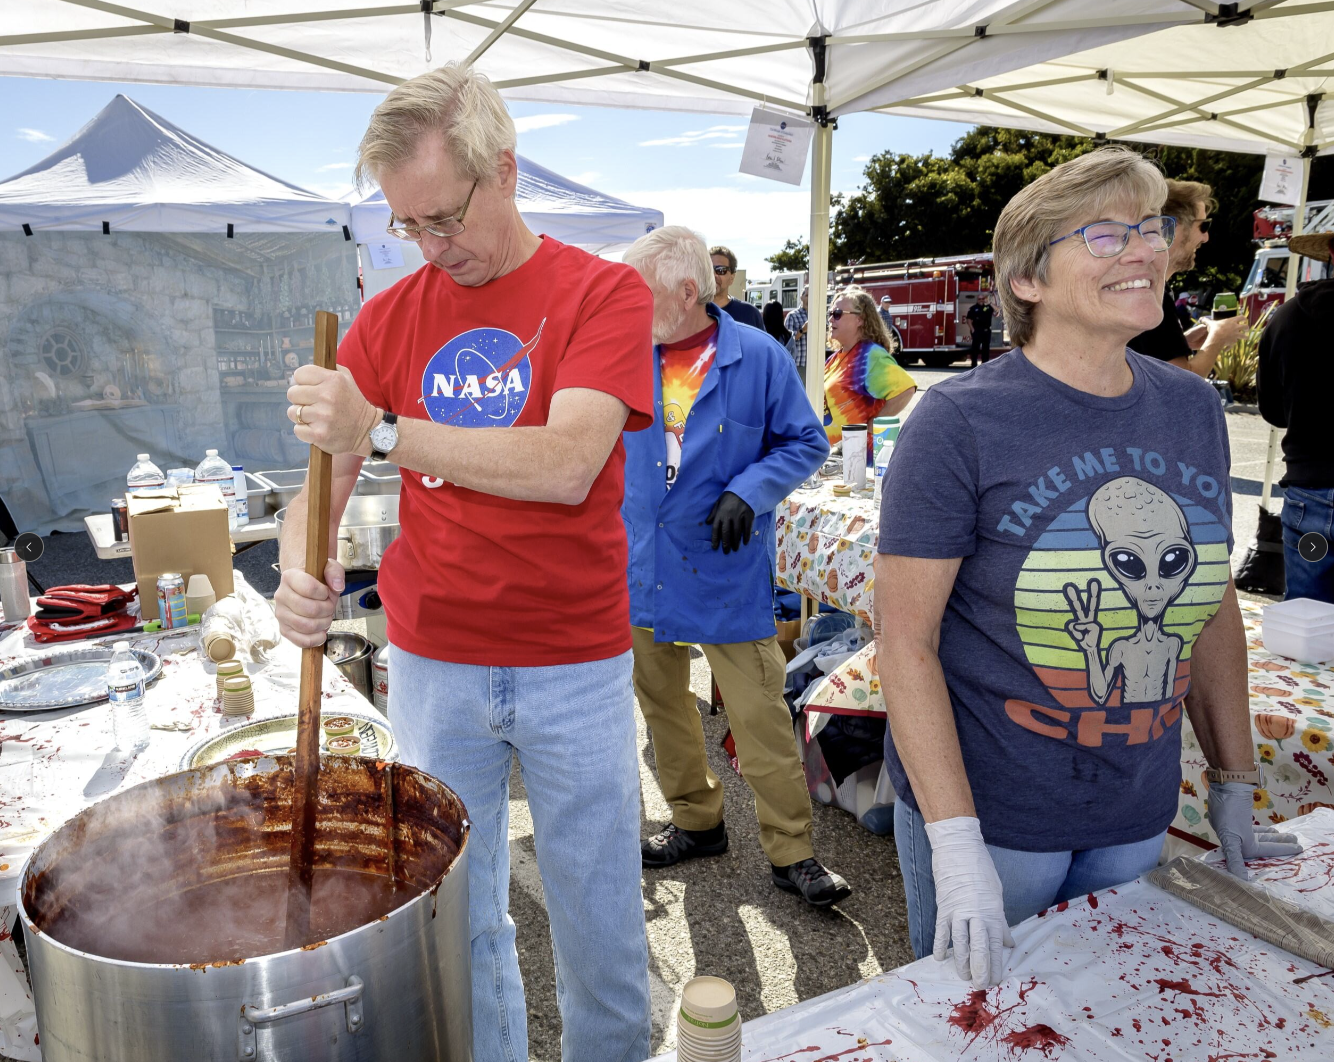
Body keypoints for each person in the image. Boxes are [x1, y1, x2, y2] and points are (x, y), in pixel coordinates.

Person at [273, 62, 655, 1062]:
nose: (433, 250)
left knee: (598, 912)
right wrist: (295, 567)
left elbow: (568, 463)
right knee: (457, 916)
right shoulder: (389, 318)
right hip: (434, 659)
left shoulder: (600, 291)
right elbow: (318, 481)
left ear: (507, 172)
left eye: (444, 218)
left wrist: (390, 429)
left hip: (573, 659)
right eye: (409, 227)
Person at [874, 146, 1301, 991]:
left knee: (1100, 1012)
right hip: (994, 816)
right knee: (982, 1029)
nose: (1144, 249)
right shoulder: (958, 422)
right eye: (1106, 235)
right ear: (1026, 280)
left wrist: (1235, 775)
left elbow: (1208, 604)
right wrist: (956, 844)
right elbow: (905, 643)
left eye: (1152, 228)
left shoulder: (1190, 406)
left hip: (1136, 809)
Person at [620, 226, 852, 907]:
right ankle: (696, 821)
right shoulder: (622, 350)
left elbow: (805, 440)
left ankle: (794, 852)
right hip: (641, 565)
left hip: (724, 567)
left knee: (758, 716)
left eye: (642, 293)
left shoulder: (758, 356)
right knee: (662, 707)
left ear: (688, 291)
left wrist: (747, 492)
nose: (628, 304)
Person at [1258, 228, 1334, 604]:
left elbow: (1273, 411)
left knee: (1308, 621)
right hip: (1309, 493)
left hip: (1310, 498)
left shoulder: (1287, 317)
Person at [1128, 179, 1248, 376]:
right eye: (1203, 226)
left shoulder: (1145, 283)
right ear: (1171, 228)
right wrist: (1218, 337)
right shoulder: (1150, 291)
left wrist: (1183, 342)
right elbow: (1181, 383)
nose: (1206, 237)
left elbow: (1149, 355)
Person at [824, 285, 916, 455]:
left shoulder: (870, 355)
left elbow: (906, 389)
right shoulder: (836, 357)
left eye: (837, 314)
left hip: (858, 458)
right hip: (835, 457)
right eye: (830, 314)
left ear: (860, 319)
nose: (831, 319)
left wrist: (874, 425)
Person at [709, 245, 765, 330]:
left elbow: (762, 343)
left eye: (721, 270)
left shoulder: (749, 314)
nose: (714, 275)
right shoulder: (691, 313)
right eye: (709, 269)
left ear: (732, 277)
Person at [784, 286, 810, 377]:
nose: (810, 299)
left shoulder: (818, 316)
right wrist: (803, 330)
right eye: (807, 295)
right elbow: (787, 341)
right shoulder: (792, 316)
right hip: (799, 364)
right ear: (801, 297)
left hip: (814, 364)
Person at [966, 292, 995, 367]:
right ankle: (974, 365)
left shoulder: (988, 307)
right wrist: (972, 329)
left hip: (986, 331)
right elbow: (968, 319)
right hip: (977, 330)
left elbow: (998, 310)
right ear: (977, 299)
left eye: (982, 299)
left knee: (986, 349)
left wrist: (990, 303)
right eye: (979, 299)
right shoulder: (973, 308)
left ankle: (985, 365)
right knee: (975, 348)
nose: (981, 300)